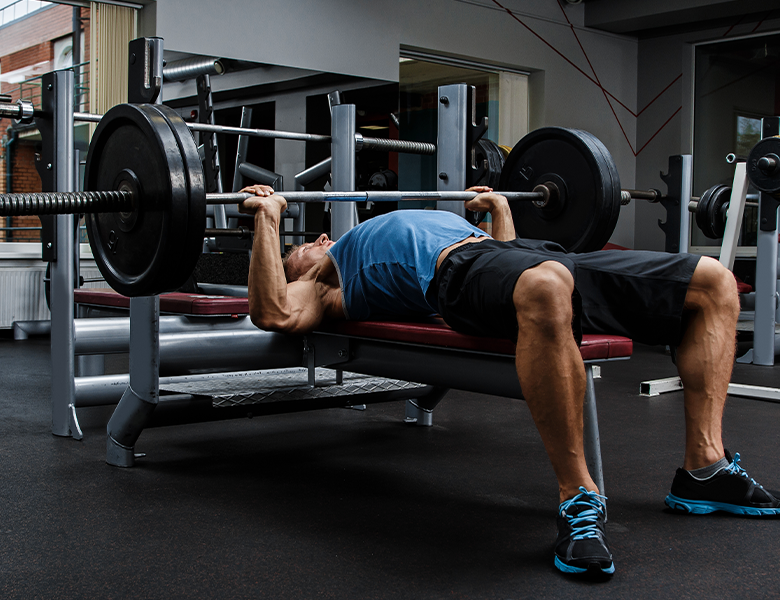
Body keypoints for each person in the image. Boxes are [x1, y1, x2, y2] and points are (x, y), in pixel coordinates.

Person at [239, 184, 780, 578]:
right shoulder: (324, 282)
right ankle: (579, 498)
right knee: (546, 287)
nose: (306, 245)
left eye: (305, 242)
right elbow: (273, 313)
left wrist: (498, 209)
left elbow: (504, 264)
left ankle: (704, 468)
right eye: (295, 250)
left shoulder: (343, 241)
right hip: (453, 275)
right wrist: (267, 218)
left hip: (519, 255)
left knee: (712, 281)